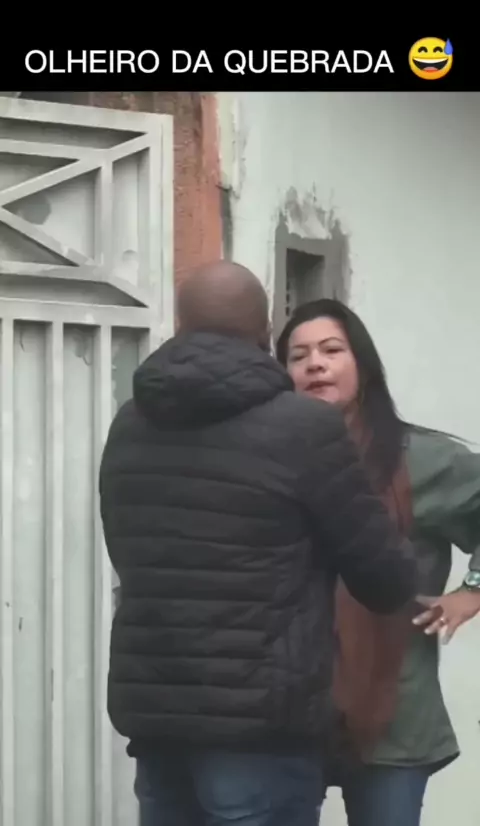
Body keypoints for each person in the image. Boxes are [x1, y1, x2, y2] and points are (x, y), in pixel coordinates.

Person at [99, 262, 418, 826]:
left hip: (158, 718)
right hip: (263, 725)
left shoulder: (129, 423)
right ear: (265, 335)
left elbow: (126, 552)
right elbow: (384, 578)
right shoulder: (304, 427)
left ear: (180, 327)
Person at [276, 298, 480, 826]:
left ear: (362, 364)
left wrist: (472, 591)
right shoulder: (270, 456)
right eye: (298, 356)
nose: (315, 364)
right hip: (290, 708)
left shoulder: (420, 458)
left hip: (395, 710)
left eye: (331, 350)